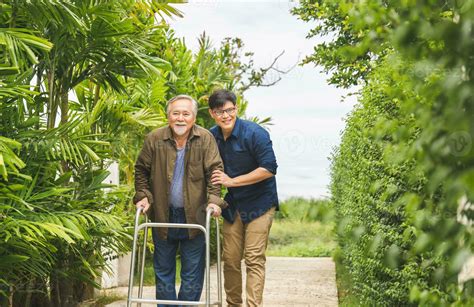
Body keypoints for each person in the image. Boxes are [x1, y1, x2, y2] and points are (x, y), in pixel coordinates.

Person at [133, 94, 225, 306]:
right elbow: (141, 170)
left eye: (186, 113)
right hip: (163, 214)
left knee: (192, 271)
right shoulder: (155, 138)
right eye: (176, 113)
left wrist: (214, 201)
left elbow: (215, 170)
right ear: (168, 116)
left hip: (195, 215)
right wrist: (143, 196)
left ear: (193, 117)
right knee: (163, 269)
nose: (180, 118)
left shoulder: (205, 138)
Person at [208, 89, 279, 307]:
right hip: (234, 205)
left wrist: (232, 181)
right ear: (212, 113)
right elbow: (208, 171)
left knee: (254, 257)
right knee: (230, 260)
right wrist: (214, 200)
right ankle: (233, 304)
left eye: (229, 110)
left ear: (236, 109)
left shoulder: (255, 133)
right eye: (220, 112)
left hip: (260, 203)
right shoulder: (211, 136)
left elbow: (269, 168)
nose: (226, 116)